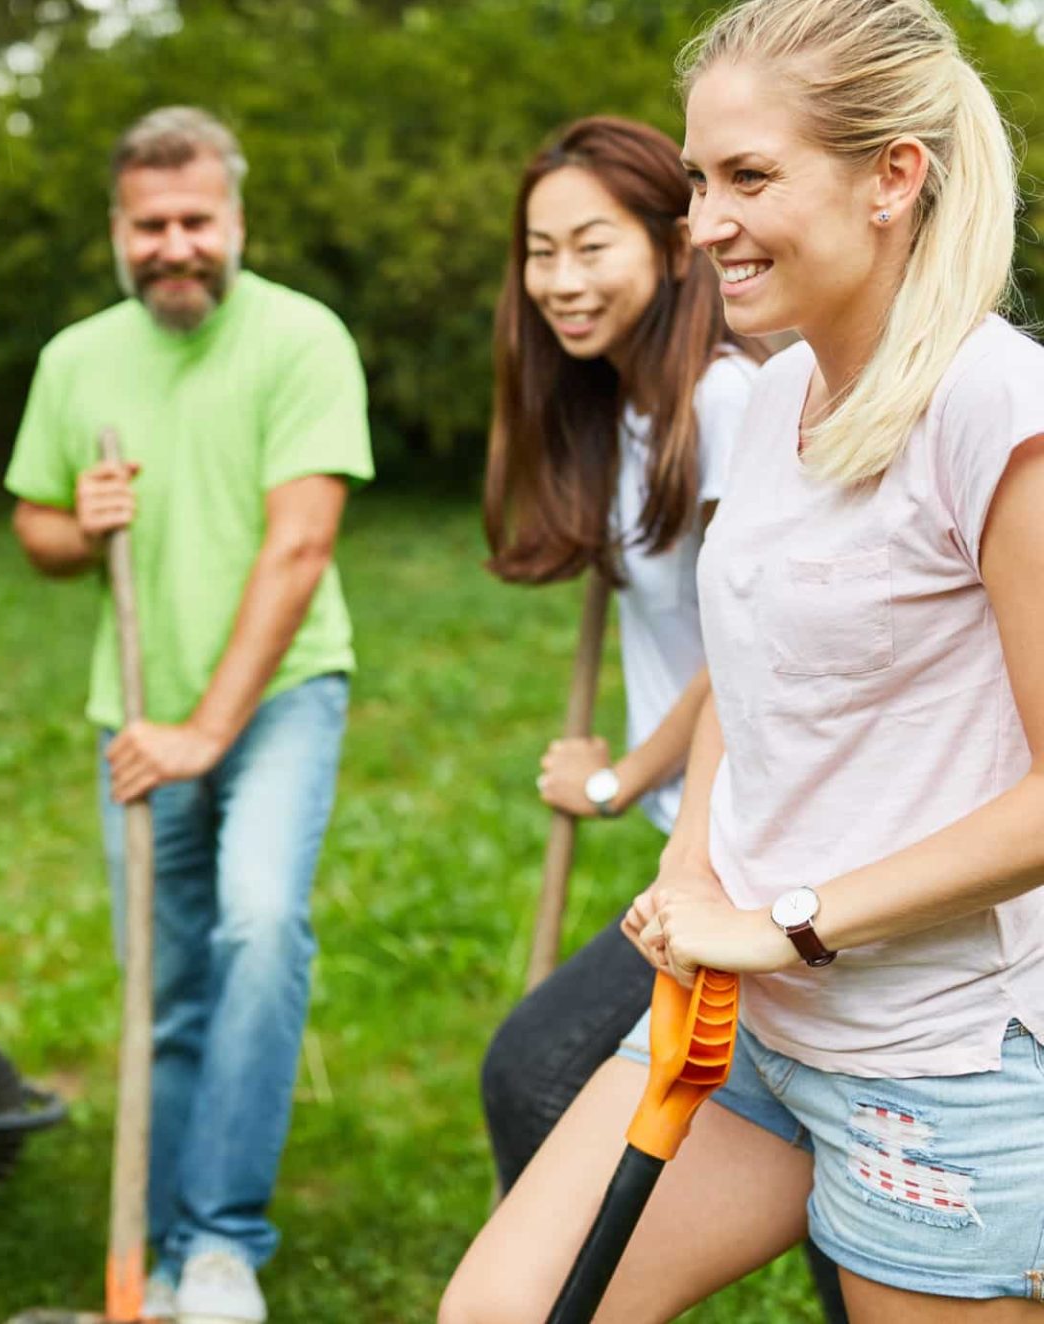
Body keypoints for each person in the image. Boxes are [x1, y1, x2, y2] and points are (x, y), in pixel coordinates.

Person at [442, 0, 1044, 1318]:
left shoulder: (997, 411)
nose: (705, 222)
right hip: (751, 1026)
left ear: (895, 176)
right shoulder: (776, 395)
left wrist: (784, 924)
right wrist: (691, 859)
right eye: (703, 178)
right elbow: (747, 672)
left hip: (932, 1057)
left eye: (750, 177)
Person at [5, 106, 372, 1324]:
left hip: (277, 698)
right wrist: (83, 520)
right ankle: (155, 1249)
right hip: (138, 705)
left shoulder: (301, 339)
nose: (176, 245)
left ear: (237, 220)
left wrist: (208, 731)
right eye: (151, 224)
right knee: (160, 986)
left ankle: (221, 1244)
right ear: (118, 229)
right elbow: (36, 531)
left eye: (197, 221)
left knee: (259, 926)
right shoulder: (76, 360)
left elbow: (301, 542)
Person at [476, 115, 762, 1189]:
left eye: (592, 246)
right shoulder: (629, 407)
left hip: (753, 834)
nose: (561, 279)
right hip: (705, 835)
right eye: (541, 253)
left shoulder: (725, 397)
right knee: (826, 1147)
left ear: (672, 241)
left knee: (535, 1072)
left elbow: (751, 638)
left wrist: (616, 776)